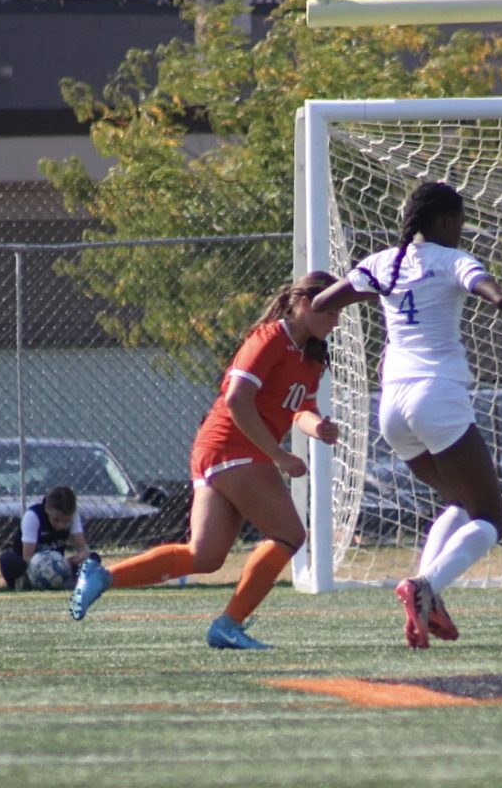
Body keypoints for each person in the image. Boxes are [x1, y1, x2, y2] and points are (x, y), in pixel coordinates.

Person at [312, 181, 502, 649]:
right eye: (462, 221)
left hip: (390, 407)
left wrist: (378, 296)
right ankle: (422, 588)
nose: (463, 230)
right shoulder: (452, 261)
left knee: (460, 505)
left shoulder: (381, 264)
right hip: (437, 398)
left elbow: (322, 303)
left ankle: (429, 598)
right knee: (491, 518)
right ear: (447, 221)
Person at [68, 271, 342, 649]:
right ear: (303, 303)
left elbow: (301, 409)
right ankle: (229, 624)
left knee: (206, 555)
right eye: (331, 311)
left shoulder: (311, 355)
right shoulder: (269, 338)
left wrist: (318, 428)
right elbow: (236, 400)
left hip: (222, 449)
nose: (337, 320)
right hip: (231, 445)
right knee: (289, 534)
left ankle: (104, 576)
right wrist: (277, 455)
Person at [0, 485, 96, 590]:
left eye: (66, 521)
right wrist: (47, 567)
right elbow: (28, 558)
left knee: (93, 559)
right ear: (47, 509)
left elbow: (82, 547)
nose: (61, 525)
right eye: (56, 520)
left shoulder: (73, 515)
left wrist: (83, 554)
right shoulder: (33, 516)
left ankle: (71, 583)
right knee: (6, 559)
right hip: (29, 568)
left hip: (57, 567)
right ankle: (23, 585)